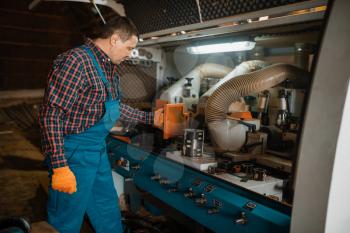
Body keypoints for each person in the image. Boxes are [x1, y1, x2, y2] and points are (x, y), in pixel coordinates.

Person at [38, 17, 155, 233]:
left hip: (96, 151)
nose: (130, 54)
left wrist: (153, 119)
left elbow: (114, 107)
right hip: (72, 155)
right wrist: (59, 165)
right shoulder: (76, 61)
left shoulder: (107, 66)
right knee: (66, 220)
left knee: (107, 211)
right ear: (114, 39)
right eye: (129, 47)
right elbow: (51, 115)